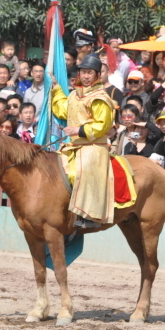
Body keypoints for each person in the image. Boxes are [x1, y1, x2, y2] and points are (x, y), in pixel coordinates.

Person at [49, 54, 117, 228]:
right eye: (83, 72)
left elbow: (102, 125)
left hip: (93, 145)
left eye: (89, 73)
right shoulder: (74, 95)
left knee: (81, 171)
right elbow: (64, 110)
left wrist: (77, 130)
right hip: (72, 145)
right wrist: (56, 89)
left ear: (97, 75)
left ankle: (88, 215)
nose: (86, 76)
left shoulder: (100, 97)